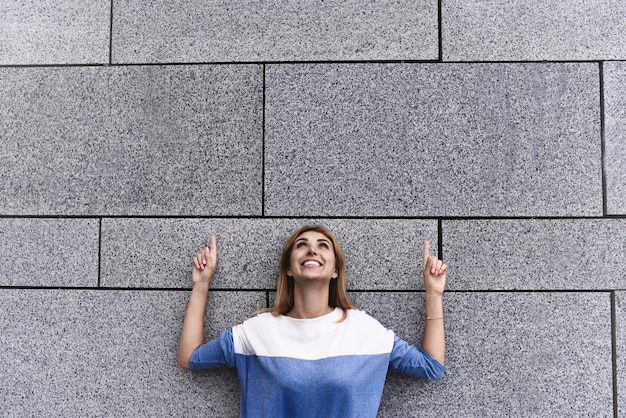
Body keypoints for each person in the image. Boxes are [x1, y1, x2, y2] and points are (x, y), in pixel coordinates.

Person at [178, 225, 447, 418]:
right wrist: (201, 285)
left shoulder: (364, 330)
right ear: (288, 267)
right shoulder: (257, 331)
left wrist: (433, 293)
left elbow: (431, 366)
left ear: (335, 270)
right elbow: (190, 356)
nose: (312, 250)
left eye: (323, 246)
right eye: (301, 244)